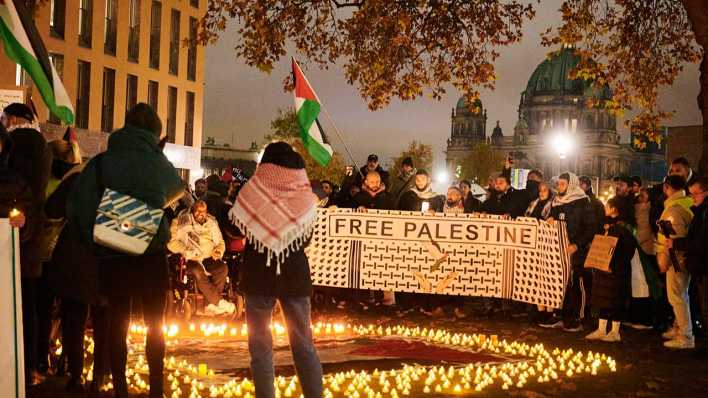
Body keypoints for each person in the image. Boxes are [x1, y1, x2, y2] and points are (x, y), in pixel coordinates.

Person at [68, 103, 184, 397]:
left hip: (113, 251)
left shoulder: (102, 162)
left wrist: (94, 239)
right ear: (154, 133)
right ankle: (156, 387)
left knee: (117, 321)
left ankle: (120, 386)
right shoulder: (157, 163)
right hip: (151, 253)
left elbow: (79, 207)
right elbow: (177, 188)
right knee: (155, 324)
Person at [229, 142, 323, 398]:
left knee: (260, 349)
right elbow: (305, 239)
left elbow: (237, 229)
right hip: (294, 275)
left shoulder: (252, 190)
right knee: (304, 345)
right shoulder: (304, 195)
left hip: (258, 275)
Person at [2, 102, 52, 386]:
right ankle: (30, 366)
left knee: (17, 305)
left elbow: (15, 190)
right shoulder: (42, 145)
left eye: (4, 118)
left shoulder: (18, 144)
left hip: (16, 235)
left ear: (14, 120)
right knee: (30, 303)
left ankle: (20, 366)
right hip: (33, 239)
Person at [540, 172, 596, 332]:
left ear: (571, 185)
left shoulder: (583, 202)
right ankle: (561, 315)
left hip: (578, 251)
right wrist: (550, 219)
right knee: (560, 282)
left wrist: (577, 244)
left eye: (563, 184)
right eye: (559, 184)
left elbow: (590, 227)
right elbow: (552, 217)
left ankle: (580, 317)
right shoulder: (557, 201)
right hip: (559, 249)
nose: (560, 187)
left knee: (578, 283)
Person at [167, 200, 235, 315]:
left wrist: (218, 251)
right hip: (190, 258)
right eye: (198, 211)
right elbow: (171, 243)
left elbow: (220, 242)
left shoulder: (212, 222)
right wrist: (185, 250)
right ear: (193, 210)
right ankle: (218, 302)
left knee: (222, 268)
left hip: (208, 257)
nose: (200, 213)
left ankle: (210, 305)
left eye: (203, 211)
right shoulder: (180, 221)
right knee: (197, 272)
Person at [585, 196, 635, 342]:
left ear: (614, 209)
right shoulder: (610, 226)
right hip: (604, 269)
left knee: (615, 300)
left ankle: (614, 331)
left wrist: (613, 266)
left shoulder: (624, 229)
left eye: (607, 206)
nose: (604, 208)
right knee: (603, 299)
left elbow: (625, 252)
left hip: (616, 271)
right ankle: (601, 329)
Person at [667, 176, 708, 352]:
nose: (692, 198)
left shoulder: (704, 213)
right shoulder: (699, 211)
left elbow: (702, 242)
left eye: (695, 194)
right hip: (699, 266)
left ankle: (687, 335)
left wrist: (677, 243)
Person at [655, 174, 695, 349]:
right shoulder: (687, 204)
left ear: (667, 188)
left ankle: (685, 336)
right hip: (683, 257)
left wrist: (664, 261)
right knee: (681, 295)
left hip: (676, 260)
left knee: (677, 296)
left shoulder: (673, 209)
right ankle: (679, 328)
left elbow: (671, 239)